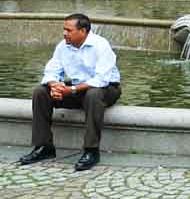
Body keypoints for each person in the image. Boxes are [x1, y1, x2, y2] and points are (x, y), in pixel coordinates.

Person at [17, 13, 122, 172]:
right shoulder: (63, 46)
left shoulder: (101, 45)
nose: (64, 33)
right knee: (40, 92)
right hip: (77, 88)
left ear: (83, 31)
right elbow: (52, 71)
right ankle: (44, 147)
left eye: (69, 30)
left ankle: (91, 151)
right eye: (64, 29)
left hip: (107, 89)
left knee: (93, 94)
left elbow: (101, 80)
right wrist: (55, 86)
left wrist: (70, 90)